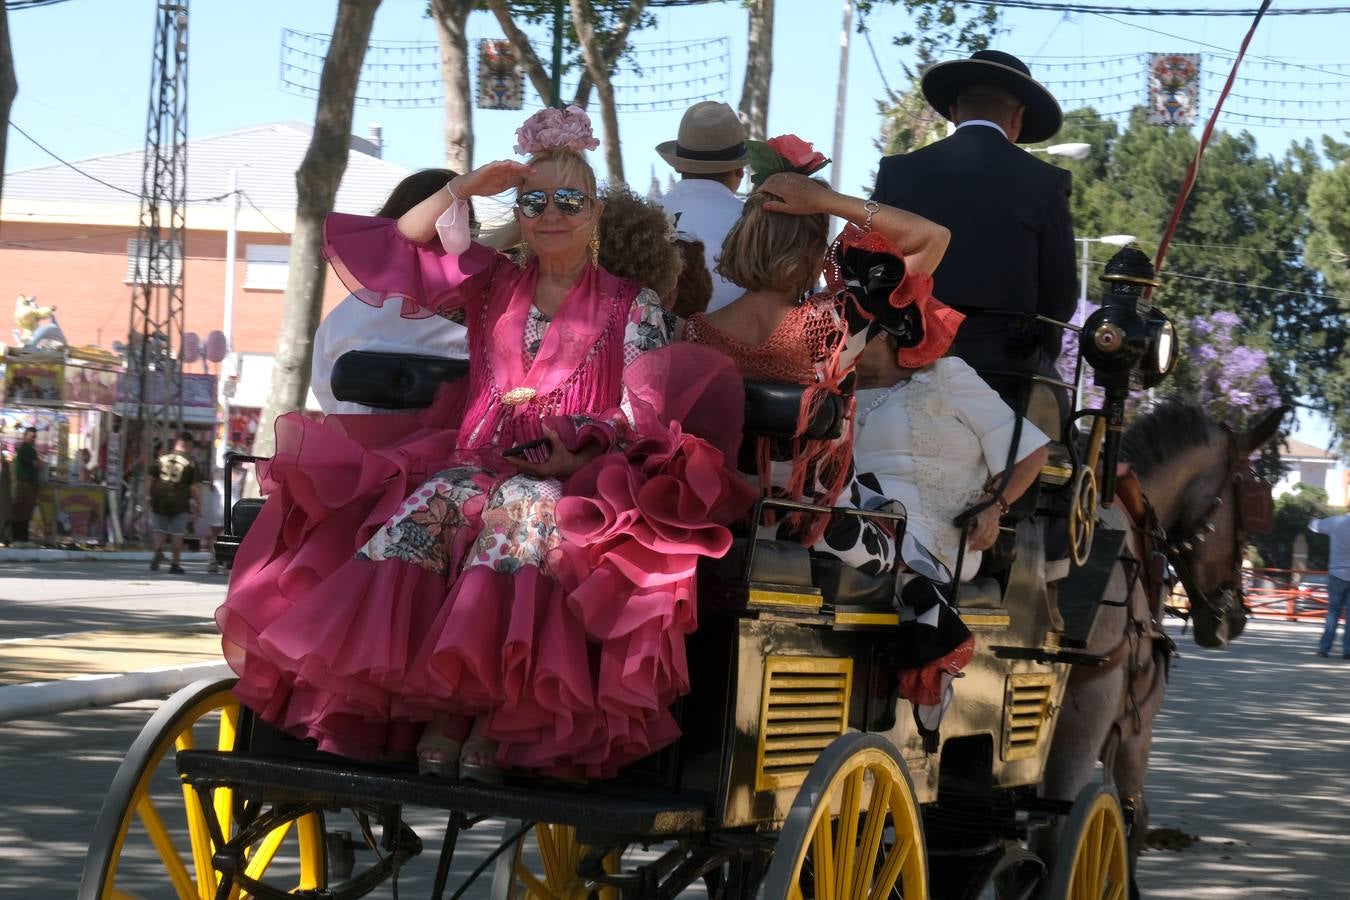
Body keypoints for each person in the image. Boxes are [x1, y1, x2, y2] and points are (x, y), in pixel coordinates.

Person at [216, 105, 752, 782]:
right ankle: (441, 710)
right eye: (535, 200)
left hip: (580, 474)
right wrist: (465, 188)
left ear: (593, 215)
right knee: (434, 506)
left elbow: (638, 412)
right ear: (521, 212)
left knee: (521, 510)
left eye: (569, 200)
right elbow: (402, 241)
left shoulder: (631, 302)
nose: (551, 213)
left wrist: (580, 446)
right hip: (471, 462)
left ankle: (481, 722)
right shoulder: (490, 282)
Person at [683, 143, 951, 573]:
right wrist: (827, 201)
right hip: (821, 535)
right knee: (920, 558)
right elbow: (934, 238)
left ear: (746, 235)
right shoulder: (835, 325)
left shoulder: (694, 331)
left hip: (721, 527)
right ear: (813, 254)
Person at [870, 50, 1077, 410]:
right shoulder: (1047, 183)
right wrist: (1039, 351)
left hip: (907, 359)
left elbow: (871, 266)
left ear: (953, 112)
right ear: (1018, 118)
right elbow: (1059, 297)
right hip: (1005, 372)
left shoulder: (897, 172)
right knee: (1056, 444)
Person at [310, 169, 476, 415]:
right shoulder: (482, 319)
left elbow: (326, 394)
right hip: (450, 450)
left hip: (357, 448)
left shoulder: (342, 318)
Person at [655, 101, 749, 313]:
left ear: (678, 165)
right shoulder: (753, 221)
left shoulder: (645, 214)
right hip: (728, 344)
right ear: (740, 170)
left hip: (650, 341)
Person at [148, 431, 201, 574]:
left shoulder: (162, 457)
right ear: (189, 445)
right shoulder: (191, 462)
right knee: (177, 533)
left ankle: (158, 550)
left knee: (160, 530)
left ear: (176, 442)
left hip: (159, 498)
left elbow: (151, 478)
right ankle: (174, 564)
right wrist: (199, 505)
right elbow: (194, 487)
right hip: (179, 501)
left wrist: (148, 495)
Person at [1311, 512, 1350, 658]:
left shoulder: (1335, 522)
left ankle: (1324, 648)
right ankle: (1348, 650)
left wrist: (1313, 516)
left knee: (1333, 612)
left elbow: (1314, 526)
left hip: (1337, 573)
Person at [11, 427, 40, 545]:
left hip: (30, 484)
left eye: (35, 436)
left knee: (27, 511)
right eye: (32, 436)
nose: (34, 438)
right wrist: (36, 463)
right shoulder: (23, 449)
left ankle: (24, 538)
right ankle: (17, 538)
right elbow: (35, 464)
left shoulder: (31, 450)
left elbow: (38, 464)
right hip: (23, 484)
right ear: (26, 436)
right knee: (20, 510)